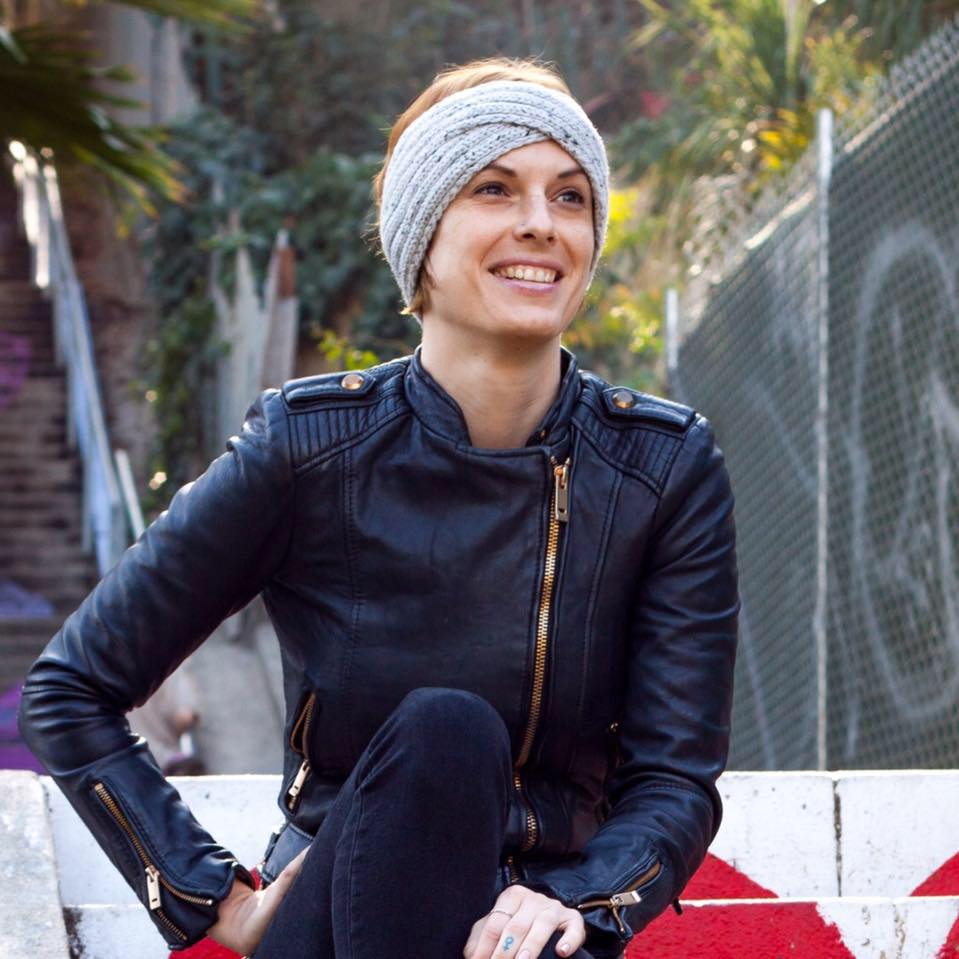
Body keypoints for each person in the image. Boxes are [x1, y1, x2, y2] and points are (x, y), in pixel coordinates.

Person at [18, 57, 739, 959]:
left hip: (540, 933)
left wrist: (578, 900)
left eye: (569, 196)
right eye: (492, 188)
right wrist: (213, 896)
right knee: (447, 733)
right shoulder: (310, 447)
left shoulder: (661, 467)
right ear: (419, 233)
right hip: (341, 920)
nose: (540, 222)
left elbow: (674, 776)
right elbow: (71, 687)